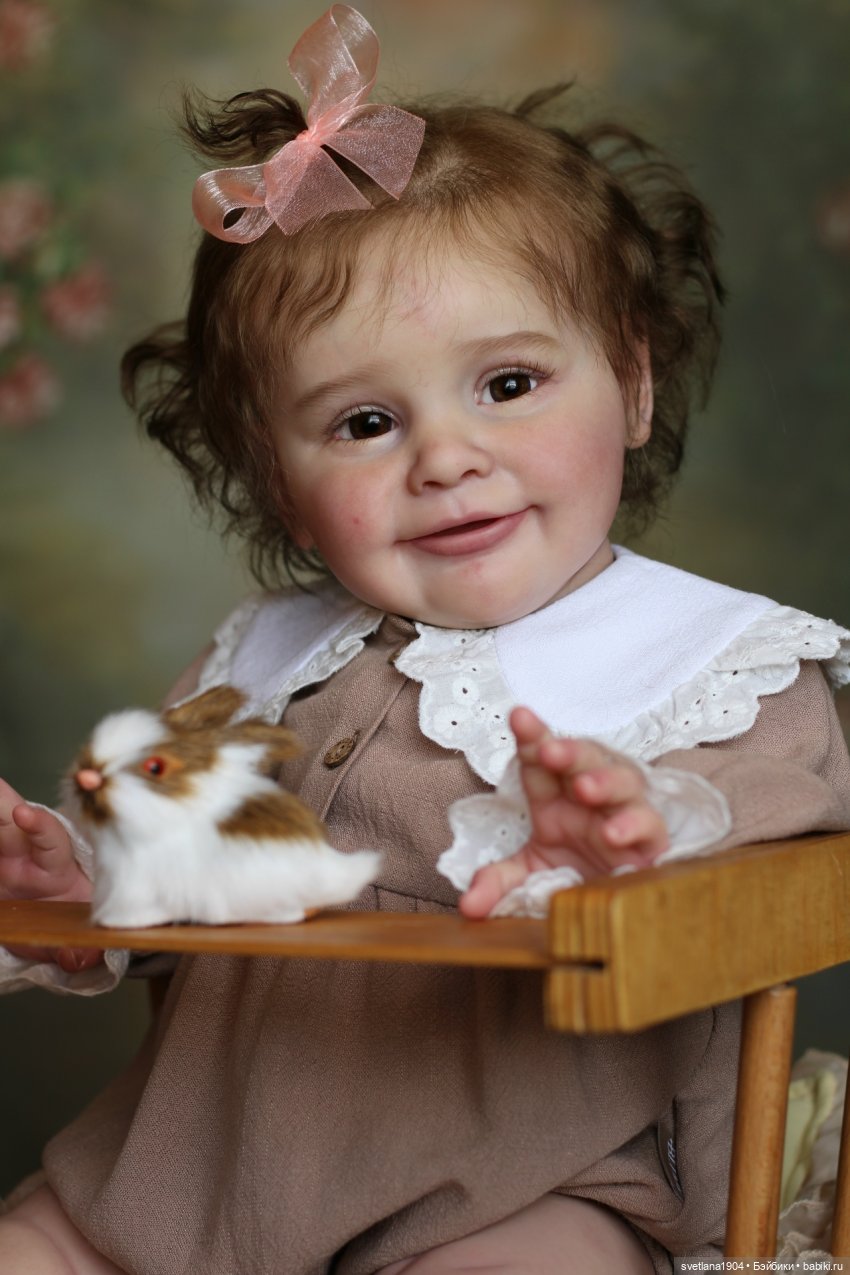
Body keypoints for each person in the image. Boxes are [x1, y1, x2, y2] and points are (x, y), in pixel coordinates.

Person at [1, 6, 849, 1273]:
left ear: (631, 384)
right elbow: (163, 863)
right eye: (363, 424)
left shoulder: (711, 662)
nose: (447, 459)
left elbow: (784, 854)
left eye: (508, 385)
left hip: (525, 1189)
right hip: (178, 1190)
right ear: (279, 485)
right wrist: (75, 894)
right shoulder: (263, 661)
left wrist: (635, 835)